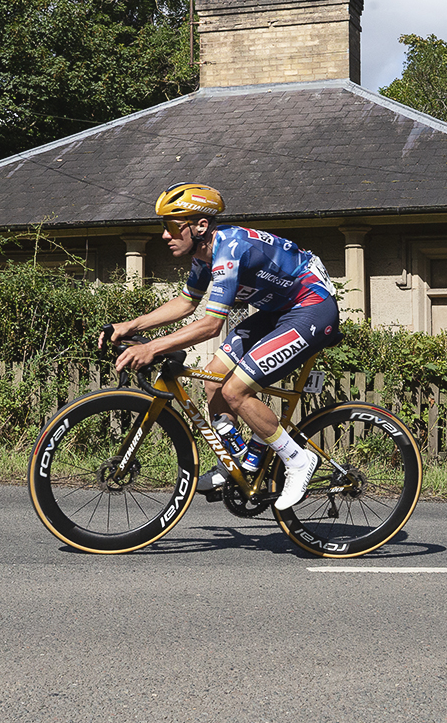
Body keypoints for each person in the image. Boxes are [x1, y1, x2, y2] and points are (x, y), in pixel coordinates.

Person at [100, 182, 340, 510]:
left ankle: (298, 460)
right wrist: (130, 325)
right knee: (213, 378)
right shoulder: (203, 255)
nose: (165, 235)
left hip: (312, 307)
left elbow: (211, 324)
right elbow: (186, 304)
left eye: (172, 226)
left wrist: (153, 348)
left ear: (200, 226)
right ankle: (243, 461)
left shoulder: (230, 250)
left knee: (234, 392)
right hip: (278, 312)